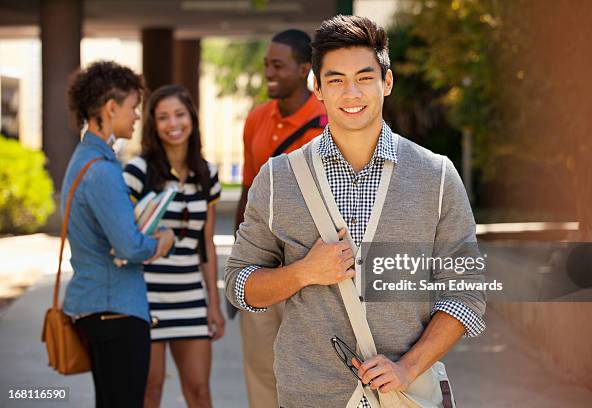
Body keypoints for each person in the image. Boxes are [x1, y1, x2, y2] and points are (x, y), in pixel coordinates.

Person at [225, 15, 486, 407]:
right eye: (335, 80)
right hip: (310, 395)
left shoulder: (436, 176)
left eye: (364, 78)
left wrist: (408, 367)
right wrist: (303, 273)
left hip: (406, 394)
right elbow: (238, 285)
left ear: (387, 82)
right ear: (318, 89)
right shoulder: (279, 179)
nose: (351, 93)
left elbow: (466, 290)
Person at [63, 60, 175, 407]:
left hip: (99, 307)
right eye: (133, 108)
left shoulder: (85, 159)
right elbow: (128, 246)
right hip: (116, 311)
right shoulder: (102, 170)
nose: (138, 117)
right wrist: (162, 241)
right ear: (110, 108)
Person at [232, 28, 327, 408]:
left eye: (278, 65)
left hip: (310, 269)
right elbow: (246, 192)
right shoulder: (256, 120)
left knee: (311, 373)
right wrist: (239, 262)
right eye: (266, 65)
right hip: (262, 268)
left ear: (305, 68)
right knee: (260, 370)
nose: (269, 72)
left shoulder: (327, 122)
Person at [123, 84, 225, 408]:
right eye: (163, 117)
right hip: (146, 296)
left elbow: (205, 244)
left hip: (190, 296)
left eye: (179, 114)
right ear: (153, 124)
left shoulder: (207, 174)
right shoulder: (138, 171)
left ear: (192, 118)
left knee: (199, 391)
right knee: (149, 392)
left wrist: (213, 304)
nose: (173, 123)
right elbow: (123, 235)